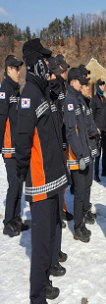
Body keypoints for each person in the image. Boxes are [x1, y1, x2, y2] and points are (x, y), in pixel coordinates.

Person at [16, 38, 70, 302]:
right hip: (40, 182)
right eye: (44, 58)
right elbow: (22, 140)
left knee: (49, 237)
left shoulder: (42, 91)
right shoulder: (28, 95)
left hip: (52, 179)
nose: (48, 63)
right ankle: (37, 296)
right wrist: (25, 173)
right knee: (39, 248)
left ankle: (47, 279)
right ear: (34, 61)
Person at [64, 68, 97, 243]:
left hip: (84, 153)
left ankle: (81, 223)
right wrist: (81, 154)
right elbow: (71, 133)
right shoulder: (70, 101)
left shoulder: (79, 101)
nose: (83, 84)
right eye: (80, 81)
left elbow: (84, 130)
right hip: (77, 156)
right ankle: (77, 228)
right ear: (73, 82)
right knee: (78, 194)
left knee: (84, 190)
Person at [0, 55, 28, 237]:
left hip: (17, 147)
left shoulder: (15, 90)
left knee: (18, 184)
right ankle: (8, 222)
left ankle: (16, 218)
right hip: (9, 148)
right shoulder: (4, 90)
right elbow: (1, 120)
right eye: (16, 69)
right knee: (13, 185)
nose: (19, 72)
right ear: (8, 70)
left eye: (20, 69)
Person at [46, 57, 69, 277]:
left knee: (56, 213)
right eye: (56, 73)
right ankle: (50, 261)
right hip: (48, 160)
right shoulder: (43, 95)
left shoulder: (58, 91)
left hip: (59, 150)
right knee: (51, 215)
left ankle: (55, 253)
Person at [55, 54, 74, 224]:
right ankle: (58, 210)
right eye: (64, 68)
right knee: (59, 176)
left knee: (63, 176)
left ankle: (62, 208)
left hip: (63, 137)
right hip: (57, 138)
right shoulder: (54, 87)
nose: (66, 70)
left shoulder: (64, 86)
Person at [92, 79, 106, 182]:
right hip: (98, 131)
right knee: (98, 153)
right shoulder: (94, 100)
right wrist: (95, 129)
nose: (102, 87)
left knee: (105, 151)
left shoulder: (105, 100)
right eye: (101, 85)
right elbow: (92, 116)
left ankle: (104, 170)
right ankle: (96, 173)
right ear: (97, 87)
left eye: (103, 85)